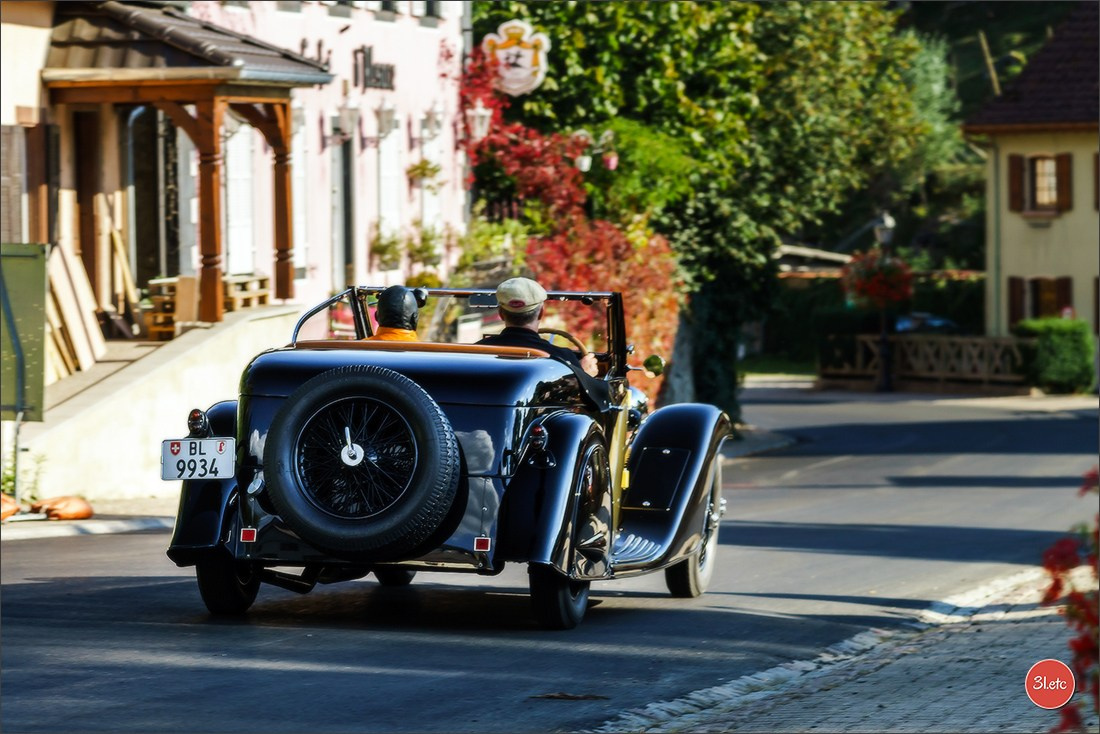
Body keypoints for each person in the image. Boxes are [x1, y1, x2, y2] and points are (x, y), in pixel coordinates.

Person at [476, 277, 599, 377]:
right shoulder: (561, 358)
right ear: (541, 313)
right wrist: (585, 375)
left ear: (501, 314)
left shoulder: (475, 352)